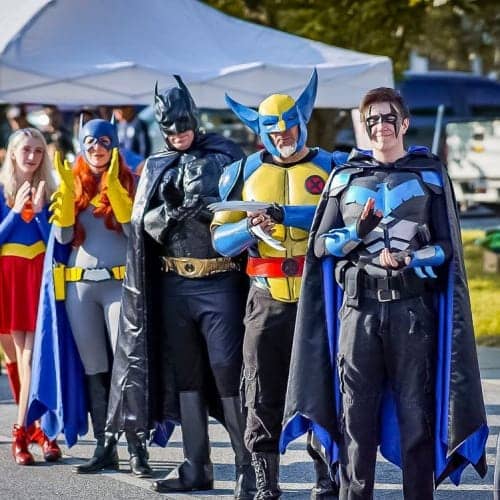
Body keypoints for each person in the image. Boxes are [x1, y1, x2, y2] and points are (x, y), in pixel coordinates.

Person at [281, 87, 488, 499]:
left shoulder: (429, 175)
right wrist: (355, 234)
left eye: (388, 117)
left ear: (404, 123)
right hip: (359, 312)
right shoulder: (345, 177)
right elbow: (319, 246)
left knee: (416, 417)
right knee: (355, 421)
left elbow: (447, 248)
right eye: (371, 119)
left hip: (412, 312)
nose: (380, 126)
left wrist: (411, 256)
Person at [106, 76, 253, 498]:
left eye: (182, 125)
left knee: (228, 373)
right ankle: (196, 466)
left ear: (194, 117)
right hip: (173, 284)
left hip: (220, 280)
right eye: (169, 129)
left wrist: (207, 208)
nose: (177, 134)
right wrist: (167, 213)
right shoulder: (158, 164)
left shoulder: (227, 154)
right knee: (185, 375)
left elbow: (243, 210)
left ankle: (248, 466)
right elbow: (141, 225)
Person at [211, 69, 341, 499]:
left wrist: (283, 214)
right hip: (266, 296)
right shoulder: (241, 172)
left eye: (289, 127)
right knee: (260, 389)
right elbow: (220, 240)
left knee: (323, 386)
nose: (283, 135)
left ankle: (326, 475)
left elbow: (341, 220)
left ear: (302, 122)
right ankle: (265, 481)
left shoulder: (333, 167)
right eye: (274, 129)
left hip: (319, 295)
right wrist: (249, 228)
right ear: (260, 131)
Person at [47, 118, 140, 474]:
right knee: (94, 368)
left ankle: (137, 447)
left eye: (103, 141)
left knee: (126, 366)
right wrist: (66, 196)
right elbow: (62, 238)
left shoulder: (130, 181)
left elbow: (134, 237)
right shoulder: (74, 183)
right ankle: (105, 446)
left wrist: (116, 191)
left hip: (118, 285)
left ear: (114, 145)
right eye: (90, 142)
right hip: (80, 288)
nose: (96, 148)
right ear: (81, 146)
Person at [0, 127, 60, 465]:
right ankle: (37, 429)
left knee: (31, 358)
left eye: (38, 151)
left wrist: (38, 212)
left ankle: (27, 431)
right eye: (26, 150)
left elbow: (55, 242)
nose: (33, 156)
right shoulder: (1, 190)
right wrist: (15, 211)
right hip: (7, 279)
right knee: (14, 360)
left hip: (36, 279)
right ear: (12, 152)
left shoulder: (50, 191)